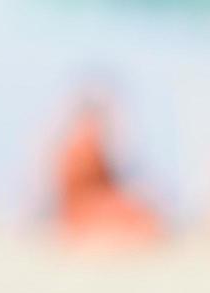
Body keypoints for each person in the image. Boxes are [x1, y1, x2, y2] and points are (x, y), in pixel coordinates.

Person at [52, 95, 162, 244]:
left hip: (93, 208)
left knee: (142, 210)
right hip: (86, 213)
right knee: (135, 216)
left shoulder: (92, 144)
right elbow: (81, 192)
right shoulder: (81, 147)